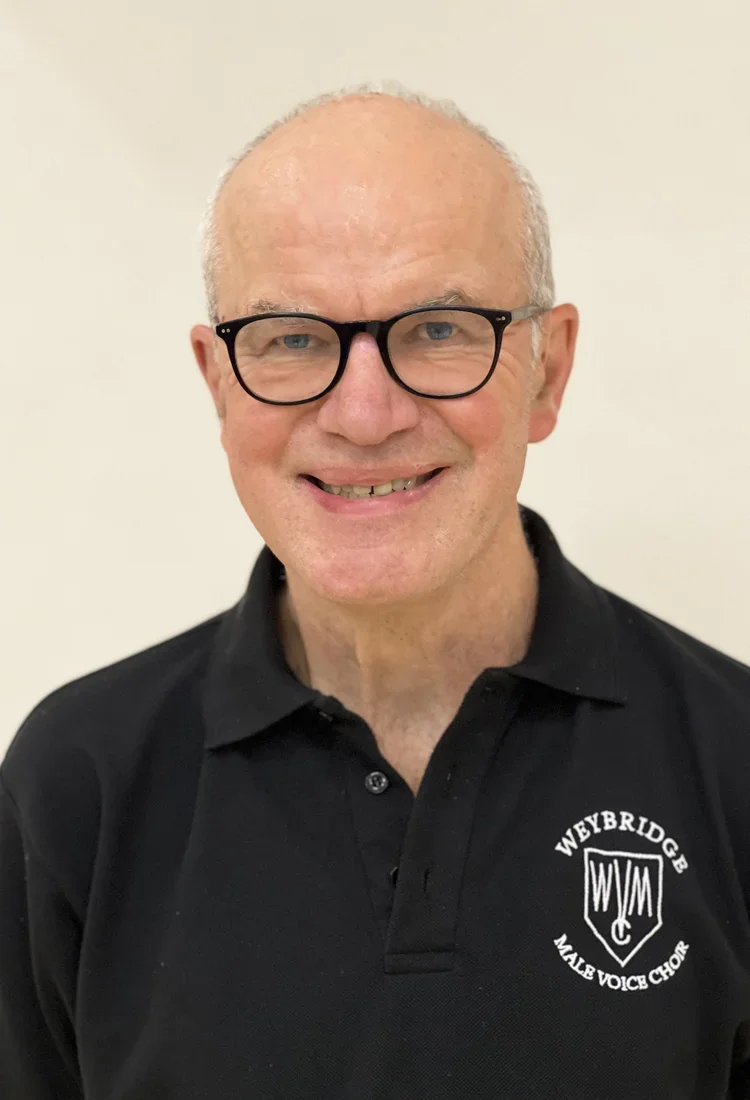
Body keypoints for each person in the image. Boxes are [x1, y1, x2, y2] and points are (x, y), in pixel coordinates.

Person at [1, 81, 749, 1100]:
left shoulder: (735, 761)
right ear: (217, 380)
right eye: (292, 337)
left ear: (549, 367)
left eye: (440, 329)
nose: (363, 413)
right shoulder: (74, 783)